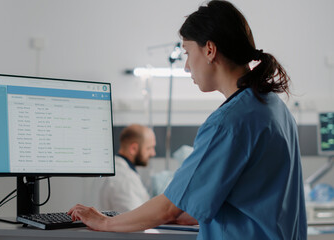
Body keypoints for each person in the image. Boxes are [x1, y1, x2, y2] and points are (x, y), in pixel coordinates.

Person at [68, 1, 307, 239]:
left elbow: (168, 207)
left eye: (187, 52)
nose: (185, 66)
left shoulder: (229, 122)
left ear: (209, 50)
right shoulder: (274, 107)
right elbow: (254, 199)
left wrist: (105, 223)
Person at [99, 124, 156, 213]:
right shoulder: (124, 178)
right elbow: (135, 217)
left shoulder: (119, 169)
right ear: (133, 148)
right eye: (149, 148)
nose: (153, 153)